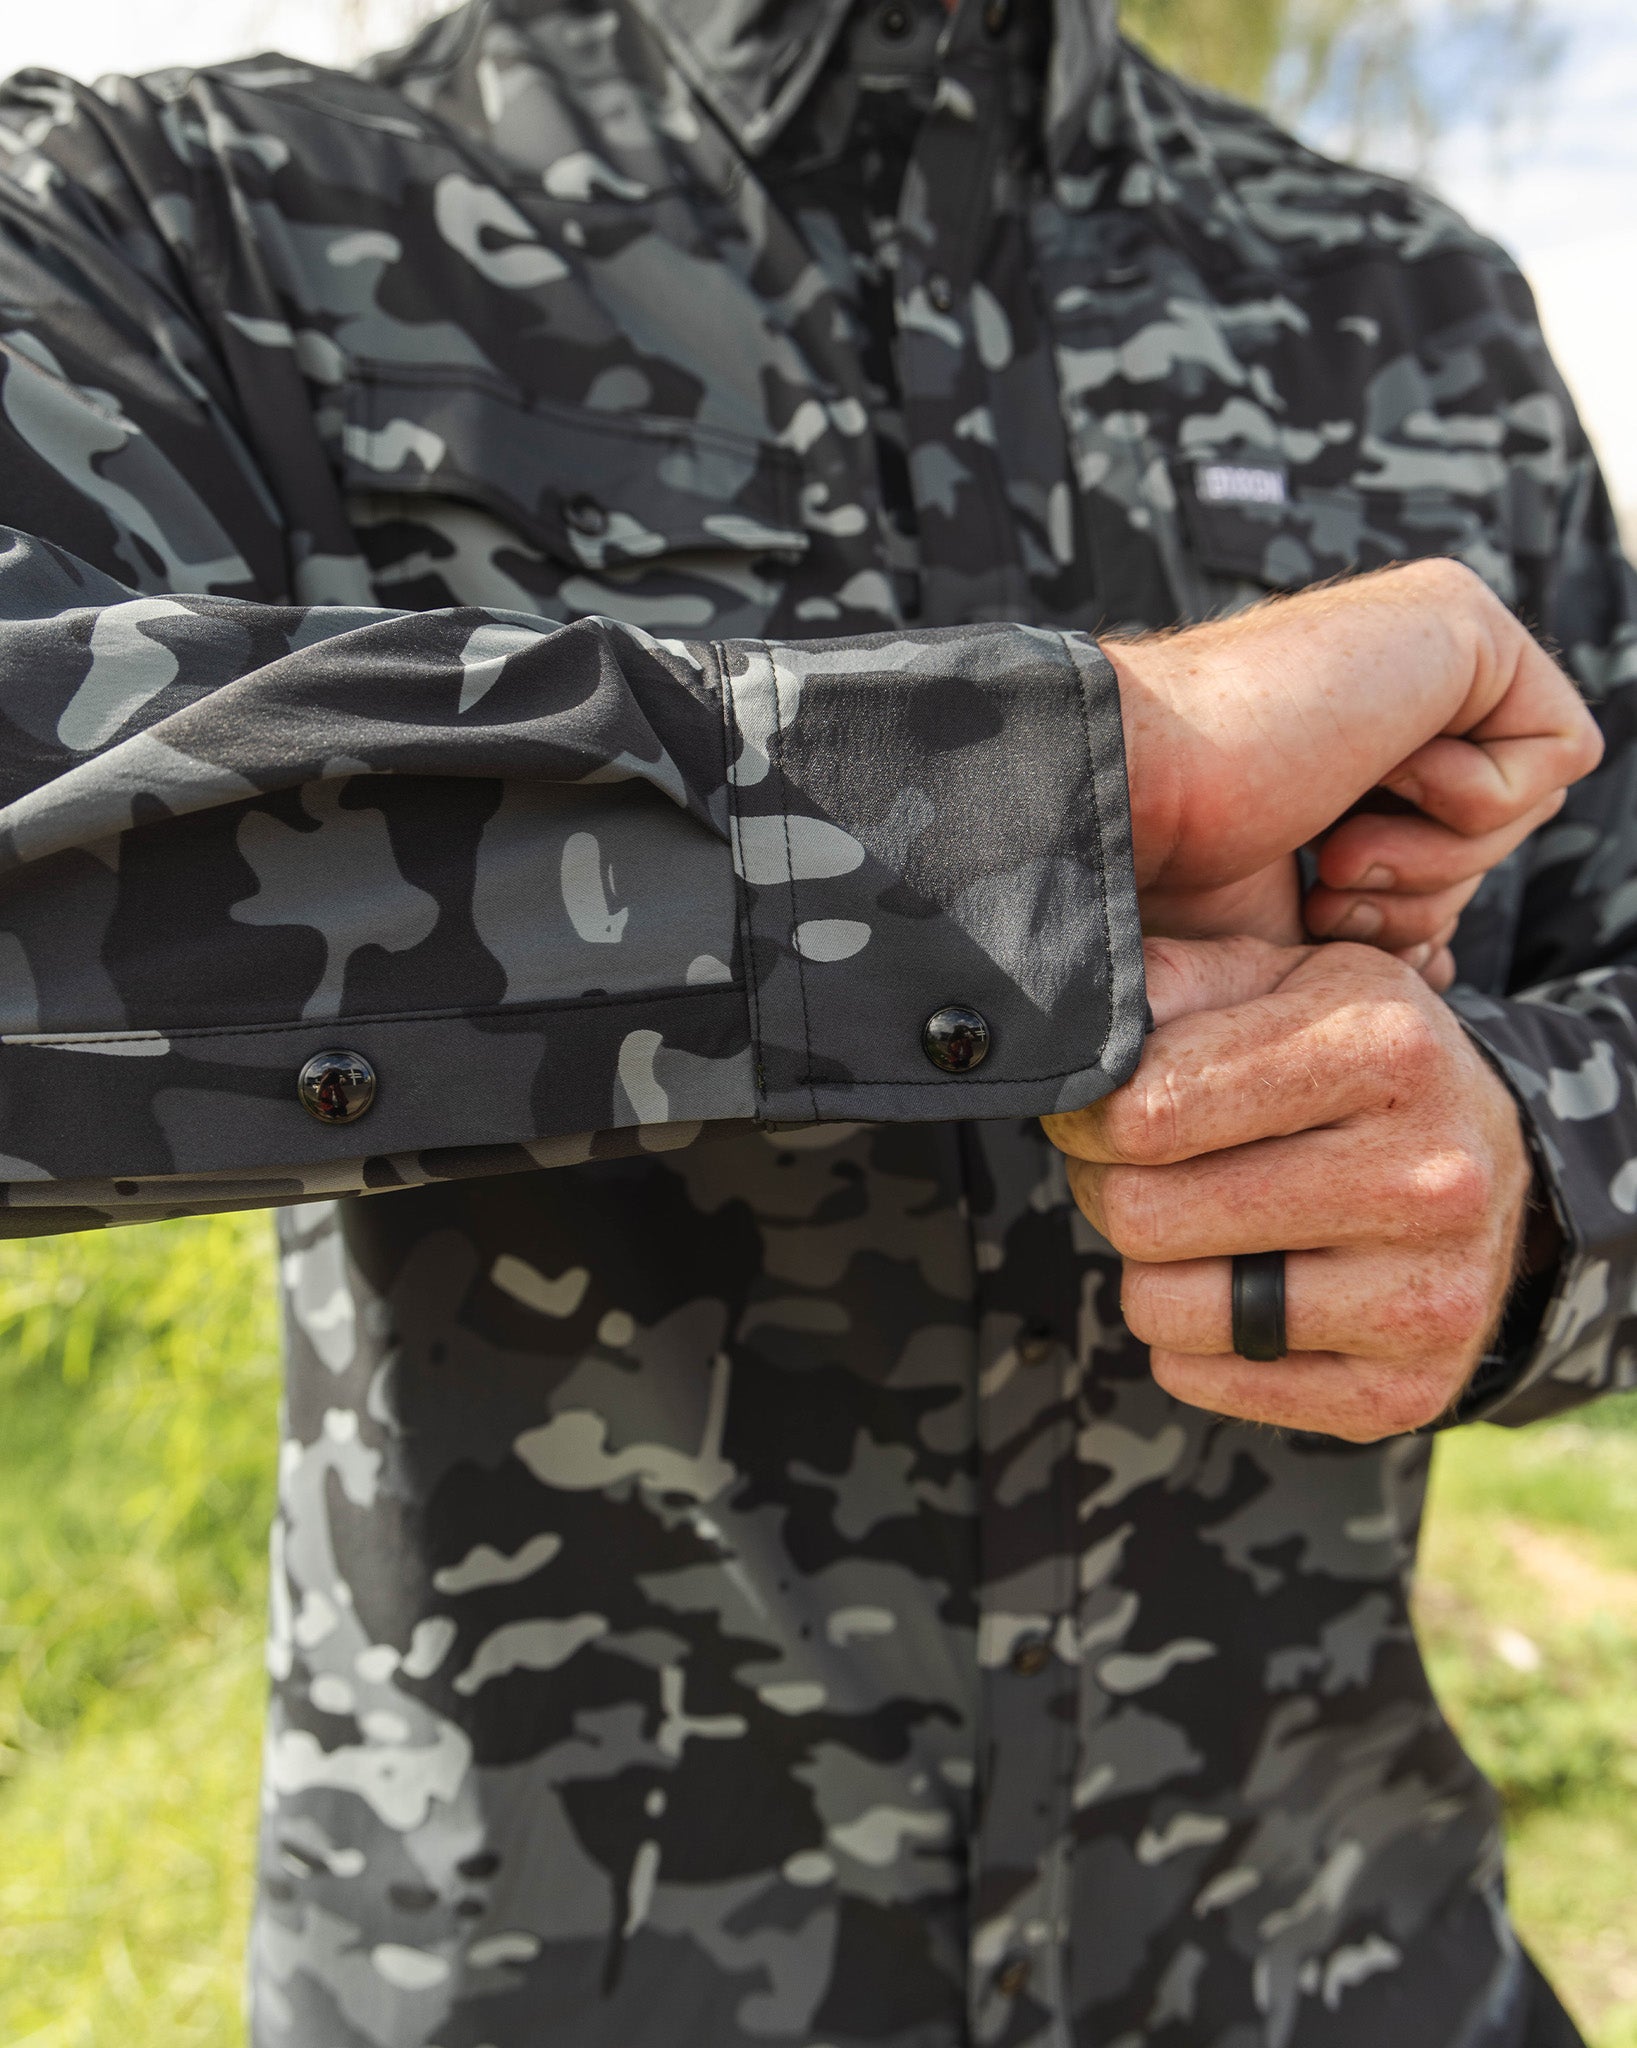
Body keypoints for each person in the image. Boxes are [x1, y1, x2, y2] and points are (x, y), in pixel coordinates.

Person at [0, 0, 1630, 2042]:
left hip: (1345, 1966)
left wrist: (1532, 1180)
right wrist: (1069, 784)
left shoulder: (1407, 300)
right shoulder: (192, 218)